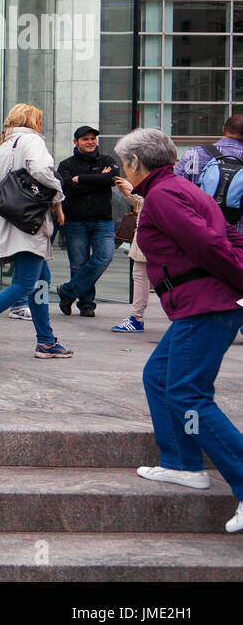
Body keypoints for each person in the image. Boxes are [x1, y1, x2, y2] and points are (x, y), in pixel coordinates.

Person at [114, 128, 243, 535]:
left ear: (135, 163)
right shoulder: (178, 188)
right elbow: (230, 234)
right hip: (202, 305)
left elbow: (211, 245)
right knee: (158, 376)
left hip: (206, 305)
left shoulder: (166, 196)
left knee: (188, 393)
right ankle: (183, 464)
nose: (122, 169)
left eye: (124, 162)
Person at [0, 103, 72, 360]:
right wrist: (57, 195)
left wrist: (11, 208)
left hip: (12, 226)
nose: (41, 125)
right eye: (39, 120)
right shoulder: (33, 141)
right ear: (33, 121)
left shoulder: (1, 150)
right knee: (24, 284)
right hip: (32, 226)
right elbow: (41, 170)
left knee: (41, 281)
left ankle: (46, 341)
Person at [56, 125, 119, 318]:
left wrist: (81, 179)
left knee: (104, 258)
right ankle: (86, 304)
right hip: (75, 221)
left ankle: (67, 292)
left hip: (103, 221)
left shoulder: (107, 160)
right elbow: (67, 188)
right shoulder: (66, 165)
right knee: (78, 264)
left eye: (93, 138)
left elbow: (111, 179)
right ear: (76, 142)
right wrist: (97, 179)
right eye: (85, 139)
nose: (91, 141)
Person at [173, 112, 243, 235]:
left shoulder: (194, 155)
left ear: (223, 129)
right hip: (239, 242)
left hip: (201, 237)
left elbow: (173, 190)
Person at [112, 174, 150, 333]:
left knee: (142, 275)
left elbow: (149, 202)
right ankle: (136, 317)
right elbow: (141, 202)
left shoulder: (158, 179)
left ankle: (136, 318)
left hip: (150, 233)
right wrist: (128, 191)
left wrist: (131, 190)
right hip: (149, 234)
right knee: (141, 274)